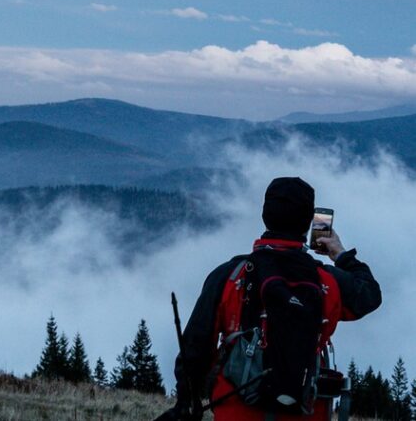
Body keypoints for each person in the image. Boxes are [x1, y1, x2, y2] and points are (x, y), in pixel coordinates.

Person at [160, 177, 382, 421]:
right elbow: (369, 295)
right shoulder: (327, 281)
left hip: (236, 412)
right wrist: (340, 254)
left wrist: (185, 403)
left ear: (265, 215)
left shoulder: (230, 276)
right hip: (307, 411)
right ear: (309, 222)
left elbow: (196, 347)